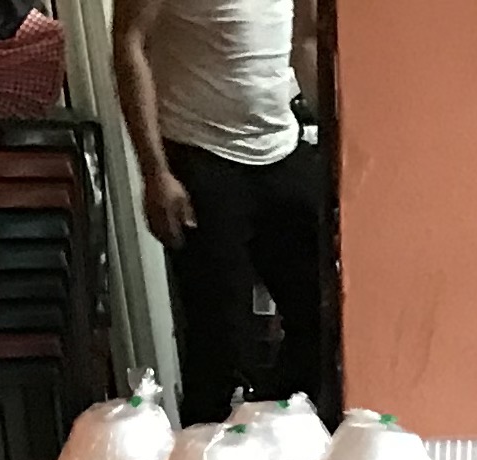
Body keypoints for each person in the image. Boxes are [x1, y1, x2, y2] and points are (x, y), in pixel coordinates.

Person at [112, 0, 332, 428]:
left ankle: (283, 437)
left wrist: (340, 142)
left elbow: (304, 38)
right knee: (221, 346)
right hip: (200, 154)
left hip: (281, 149)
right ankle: (206, 459)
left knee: (322, 322)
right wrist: (155, 172)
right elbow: (129, 41)